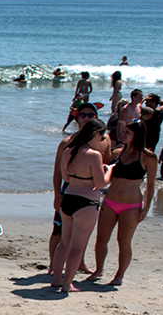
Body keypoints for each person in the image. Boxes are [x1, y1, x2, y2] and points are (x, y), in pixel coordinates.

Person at [89, 118, 156, 286]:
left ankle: (119, 276)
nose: (123, 134)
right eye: (123, 131)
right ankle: (98, 270)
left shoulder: (148, 157)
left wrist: (146, 208)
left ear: (137, 134)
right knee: (101, 238)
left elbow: (151, 184)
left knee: (124, 242)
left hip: (131, 206)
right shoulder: (117, 153)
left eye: (128, 132)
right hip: (110, 201)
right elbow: (105, 174)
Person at [55, 119, 112, 292]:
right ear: (95, 135)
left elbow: (65, 178)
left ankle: (57, 277)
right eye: (101, 136)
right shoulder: (94, 155)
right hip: (86, 202)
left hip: (69, 197)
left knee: (64, 243)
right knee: (77, 246)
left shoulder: (68, 151)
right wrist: (109, 171)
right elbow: (101, 183)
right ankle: (67, 284)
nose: (102, 140)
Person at [48, 101, 101, 277]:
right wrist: (57, 195)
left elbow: (105, 162)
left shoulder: (102, 142)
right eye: (83, 115)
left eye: (90, 115)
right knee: (59, 231)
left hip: (89, 192)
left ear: (96, 117)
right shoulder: (67, 143)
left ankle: (80, 263)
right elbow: (58, 172)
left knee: (81, 233)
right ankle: (52, 265)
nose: (86, 118)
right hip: (69, 190)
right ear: (77, 118)